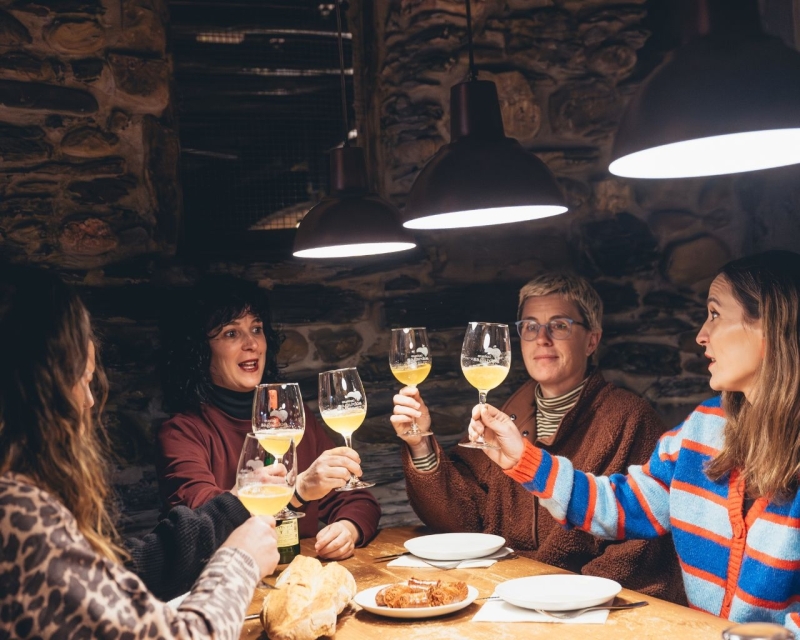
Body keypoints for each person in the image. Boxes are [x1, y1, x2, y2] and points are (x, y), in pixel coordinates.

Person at [471, 250, 800, 629]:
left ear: (770, 326)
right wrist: (524, 459)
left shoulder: (631, 413)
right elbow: (623, 506)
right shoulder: (703, 429)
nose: (701, 335)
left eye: (714, 314)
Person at [0, 269, 279, 639]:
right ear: (33, 393)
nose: (89, 401)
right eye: (80, 381)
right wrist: (239, 562)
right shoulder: (17, 513)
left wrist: (241, 503)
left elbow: (130, 566)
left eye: (255, 329)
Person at [391, 272, 684, 602]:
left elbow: (644, 547)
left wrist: (557, 597)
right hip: (510, 595)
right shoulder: (508, 413)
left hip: (583, 607)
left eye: (559, 325)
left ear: (591, 340)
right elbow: (463, 521)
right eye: (530, 326)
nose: (542, 338)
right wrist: (420, 443)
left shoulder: (631, 419)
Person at [156, 277, 381, 560]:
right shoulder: (181, 433)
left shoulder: (294, 422)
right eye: (230, 333)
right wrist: (297, 490)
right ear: (200, 350)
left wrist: (348, 530)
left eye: (256, 329)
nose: (251, 344)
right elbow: (206, 522)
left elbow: (357, 498)